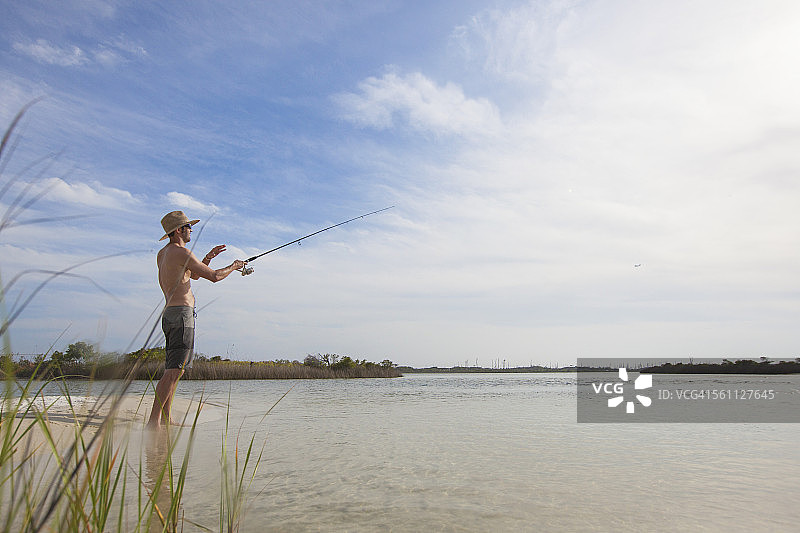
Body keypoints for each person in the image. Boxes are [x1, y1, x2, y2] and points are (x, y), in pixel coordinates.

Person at [147, 211, 244, 429]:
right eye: (189, 227)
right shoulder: (181, 252)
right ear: (179, 230)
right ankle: (153, 422)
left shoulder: (163, 253)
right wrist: (234, 266)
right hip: (182, 315)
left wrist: (208, 257)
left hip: (170, 314)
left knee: (175, 370)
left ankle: (165, 418)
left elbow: (192, 275)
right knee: (174, 371)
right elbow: (214, 277)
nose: (192, 230)